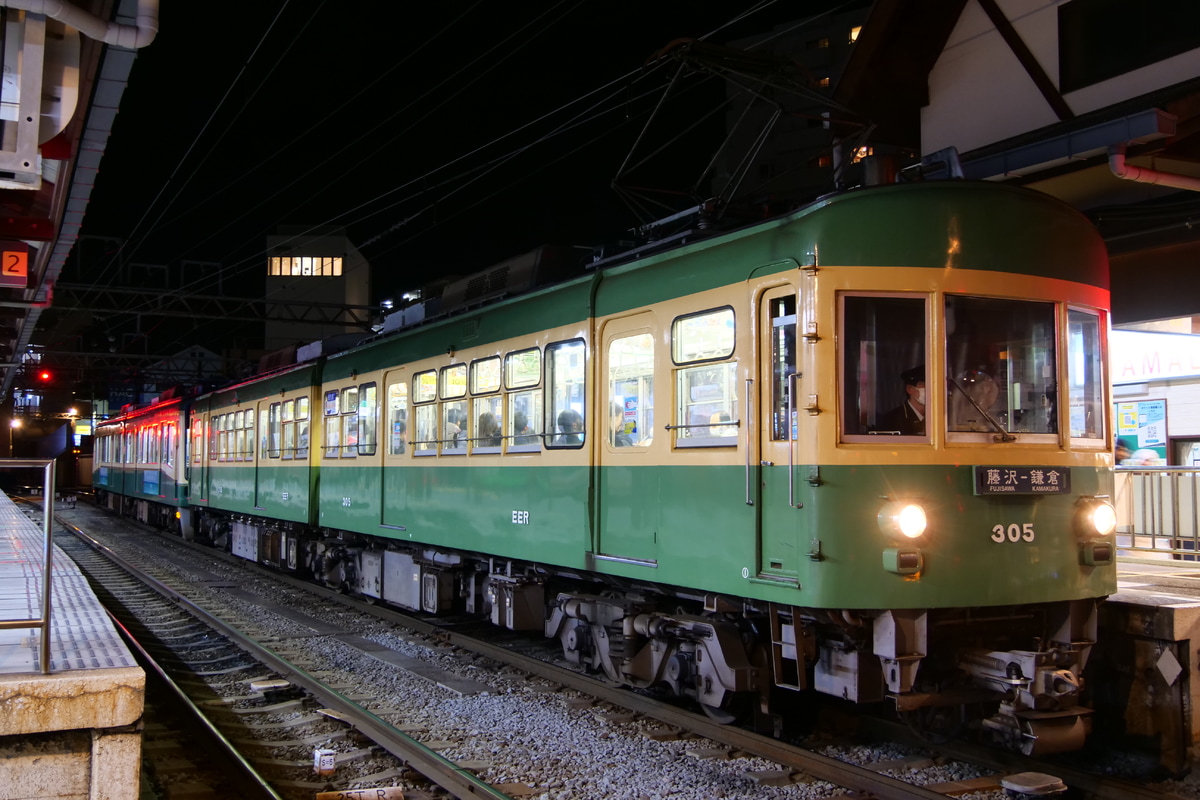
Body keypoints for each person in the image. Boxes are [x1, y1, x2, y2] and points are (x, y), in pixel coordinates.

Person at [878, 365, 925, 435]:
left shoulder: (938, 417)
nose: (931, 390)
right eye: (924, 385)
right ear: (910, 389)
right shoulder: (891, 420)